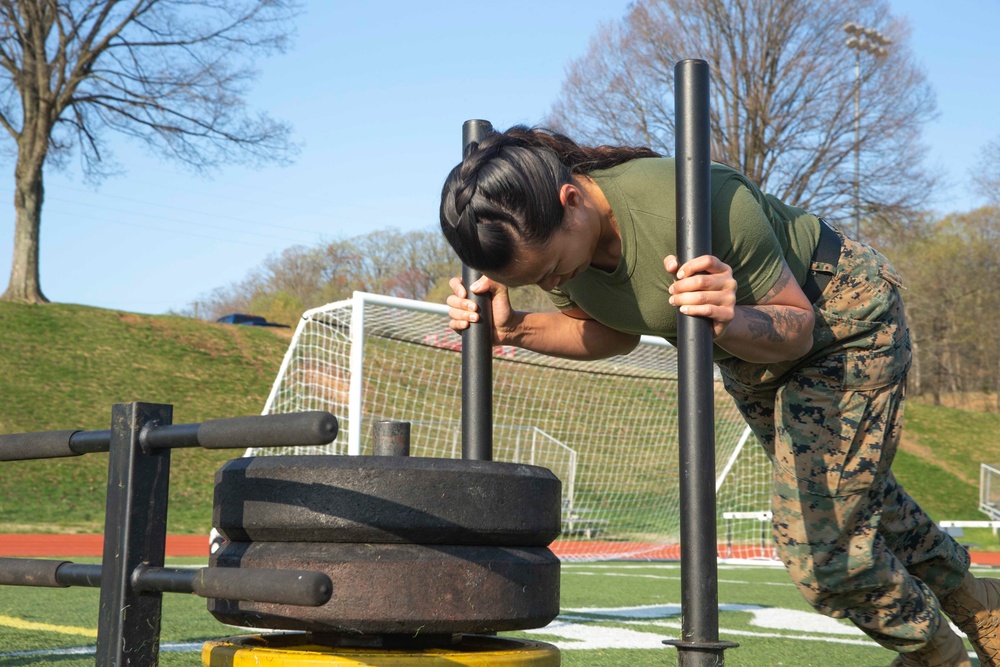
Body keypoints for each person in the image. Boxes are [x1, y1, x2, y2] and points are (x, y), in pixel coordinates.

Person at [439, 125, 1000, 667]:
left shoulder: (695, 201)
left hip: (840, 323)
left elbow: (796, 327)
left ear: (571, 201)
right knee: (853, 507)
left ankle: (939, 658)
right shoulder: (563, 248)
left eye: (556, 270)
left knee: (821, 550)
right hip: (745, 358)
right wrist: (513, 330)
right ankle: (982, 606)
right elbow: (613, 329)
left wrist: (727, 320)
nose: (556, 286)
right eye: (540, 281)